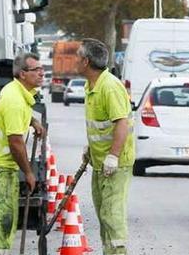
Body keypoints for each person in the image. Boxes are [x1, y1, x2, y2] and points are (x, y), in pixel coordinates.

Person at [0, 52, 45, 255]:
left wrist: (33, 121)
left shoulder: (17, 93)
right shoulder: (15, 100)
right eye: (36, 70)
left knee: (7, 219)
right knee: (2, 221)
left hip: (1, 167)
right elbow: (15, 143)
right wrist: (29, 173)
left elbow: (18, 114)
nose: (41, 73)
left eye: (41, 69)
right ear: (23, 74)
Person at [77, 38, 135, 254]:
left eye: (77, 57)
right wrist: (91, 149)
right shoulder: (92, 85)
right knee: (103, 213)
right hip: (100, 163)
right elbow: (101, 125)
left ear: (85, 61)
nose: (75, 61)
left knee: (112, 214)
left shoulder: (109, 87)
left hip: (115, 164)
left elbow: (121, 122)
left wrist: (113, 156)